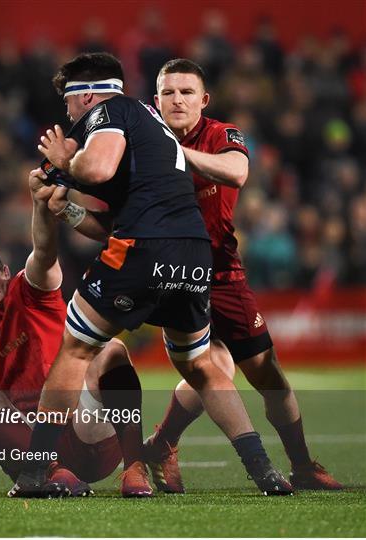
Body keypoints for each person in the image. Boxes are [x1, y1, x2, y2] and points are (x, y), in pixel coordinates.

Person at [12, 51, 292, 498]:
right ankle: (264, 471)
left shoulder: (110, 110)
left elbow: (98, 168)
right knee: (200, 363)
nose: (67, 115)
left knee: (76, 349)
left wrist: (67, 162)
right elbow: (110, 221)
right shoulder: (148, 124)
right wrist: (65, 206)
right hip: (193, 252)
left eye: (68, 104)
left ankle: (34, 473)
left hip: (142, 249)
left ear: (84, 95)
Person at [142, 58, 342, 493]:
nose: (177, 99)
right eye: (168, 92)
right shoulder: (138, 138)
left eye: (187, 92)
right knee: (208, 367)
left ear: (203, 100)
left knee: (266, 371)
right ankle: (155, 447)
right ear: (155, 100)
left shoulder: (221, 134)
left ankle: (301, 465)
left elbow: (237, 171)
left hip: (224, 273)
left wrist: (172, 155)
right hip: (172, 276)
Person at [0, 167, 147, 498]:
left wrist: (40, 206)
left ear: (5, 271)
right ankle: (51, 475)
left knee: (109, 351)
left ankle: (134, 468)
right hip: (36, 451)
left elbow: (44, 252)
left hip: (85, 431)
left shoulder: (28, 290)